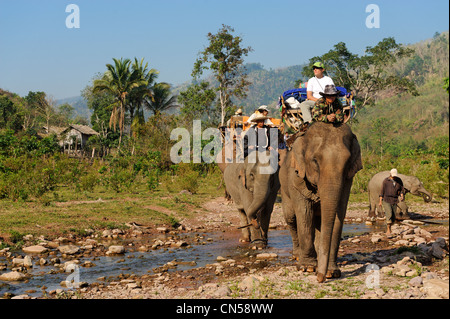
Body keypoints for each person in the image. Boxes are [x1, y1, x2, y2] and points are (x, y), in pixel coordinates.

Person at [298, 61, 335, 128]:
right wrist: (319, 101)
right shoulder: (311, 80)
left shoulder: (328, 80)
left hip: (327, 100)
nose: (315, 69)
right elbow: (309, 96)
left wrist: (326, 101)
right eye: (314, 68)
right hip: (315, 101)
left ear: (322, 69)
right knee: (303, 104)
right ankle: (309, 123)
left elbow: (332, 92)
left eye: (317, 68)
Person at [379, 168, 405, 235]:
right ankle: (388, 230)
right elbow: (382, 191)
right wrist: (380, 202)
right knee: (389, 214)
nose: (394, 176)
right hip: (386, 199)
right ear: (390, 174)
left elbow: (401, 189)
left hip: (394, 200)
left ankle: (389, 227)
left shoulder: (399, 180)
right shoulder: (386, 181)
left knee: (393, 216)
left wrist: (402, 195)